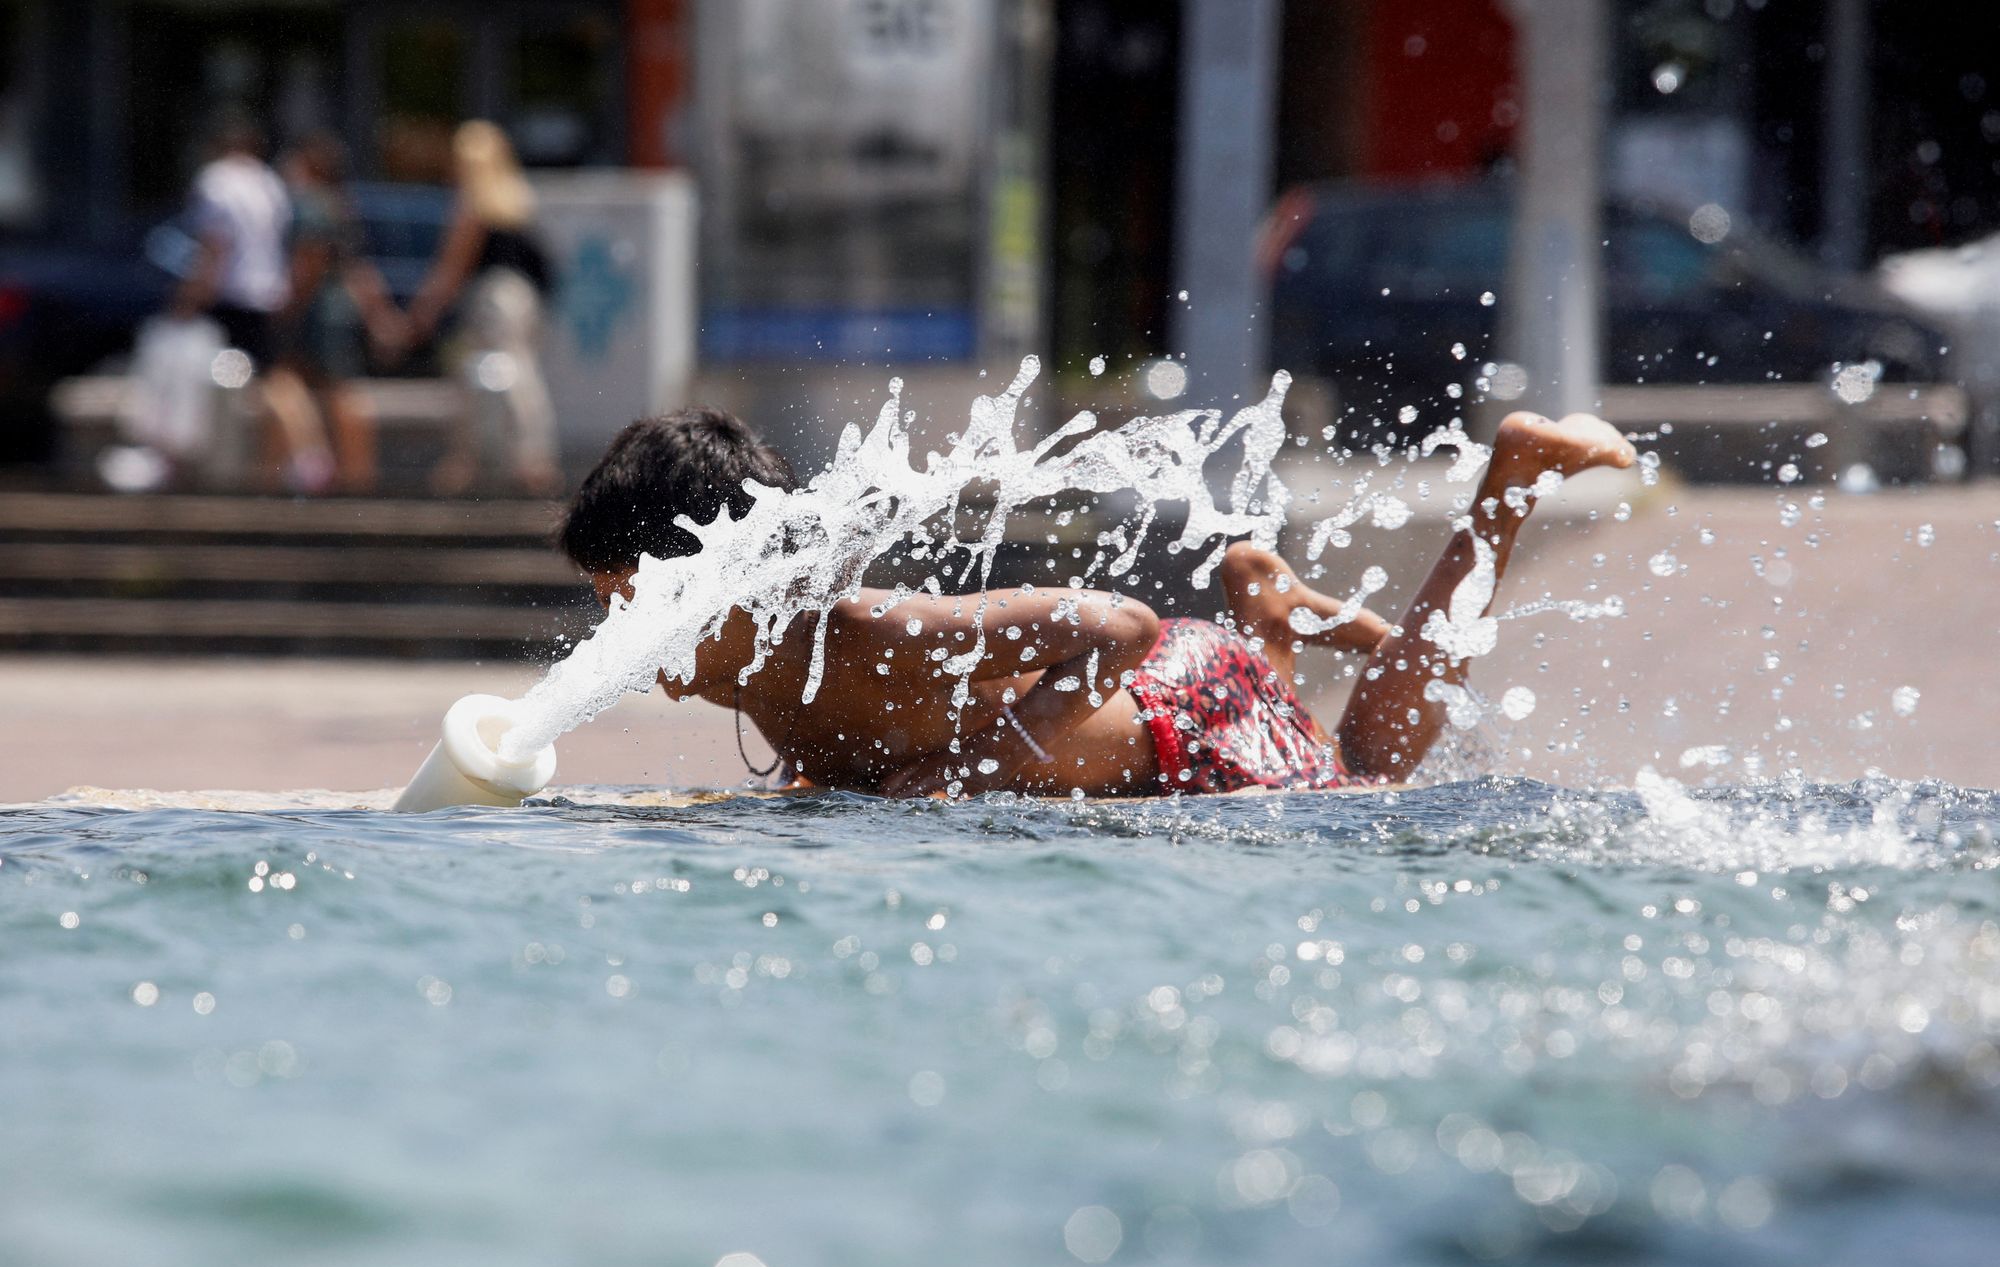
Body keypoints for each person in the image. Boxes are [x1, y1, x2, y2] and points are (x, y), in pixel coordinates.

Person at [554, 406, 1636, 798]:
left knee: (1364, 777)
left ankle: (1507, 488)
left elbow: (1120, 627)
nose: (619, 634)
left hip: (1183, 711)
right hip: (1159, 718)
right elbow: (856, 746)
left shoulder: (869, 630)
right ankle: (1265, 604)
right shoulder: (751, 667)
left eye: (627, 600)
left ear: (723, 581)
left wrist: (976, 768)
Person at [170, 111, 331, 491]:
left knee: (247, 381)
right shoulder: (269, 183)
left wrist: (192, 296)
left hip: (231, 294)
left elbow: (215, 246)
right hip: (267, 292)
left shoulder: (216, 182)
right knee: (273, 378)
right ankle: (299, 457)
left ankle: (303, 458)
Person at [403, 120, 559, 496]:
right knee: (522, 374)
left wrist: (421, 314)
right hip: (525, 298)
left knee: (484, 375)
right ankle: (529, 455)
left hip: (493, 298)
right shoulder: (516, 196)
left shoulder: (473, 202)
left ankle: (475, 458)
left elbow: (452, 267)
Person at [277, 131, 406, 494]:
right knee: (333, 390)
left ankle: (334, 471)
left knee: (326, 390)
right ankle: (355, 473)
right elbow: (358, 267)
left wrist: (288, 305)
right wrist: (379, 316)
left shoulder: (311, 204)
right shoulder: (340, 204)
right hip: (339, 308)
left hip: (320, 310)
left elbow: (310, 260)